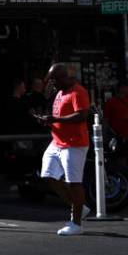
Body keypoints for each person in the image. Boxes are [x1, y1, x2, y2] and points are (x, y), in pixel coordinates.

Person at [33, 63, 91, 236]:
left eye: (54, 80)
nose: (52, 83)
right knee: (48, 175)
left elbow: (81, 115)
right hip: (57, 141)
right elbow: (58, 117)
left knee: (75, 182)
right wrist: (49, 120)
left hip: (74, 144)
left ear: (64, 77)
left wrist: (55, 119)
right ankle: (80, 207)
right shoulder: (59, 92)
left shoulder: (77, 91)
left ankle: (76, 223)